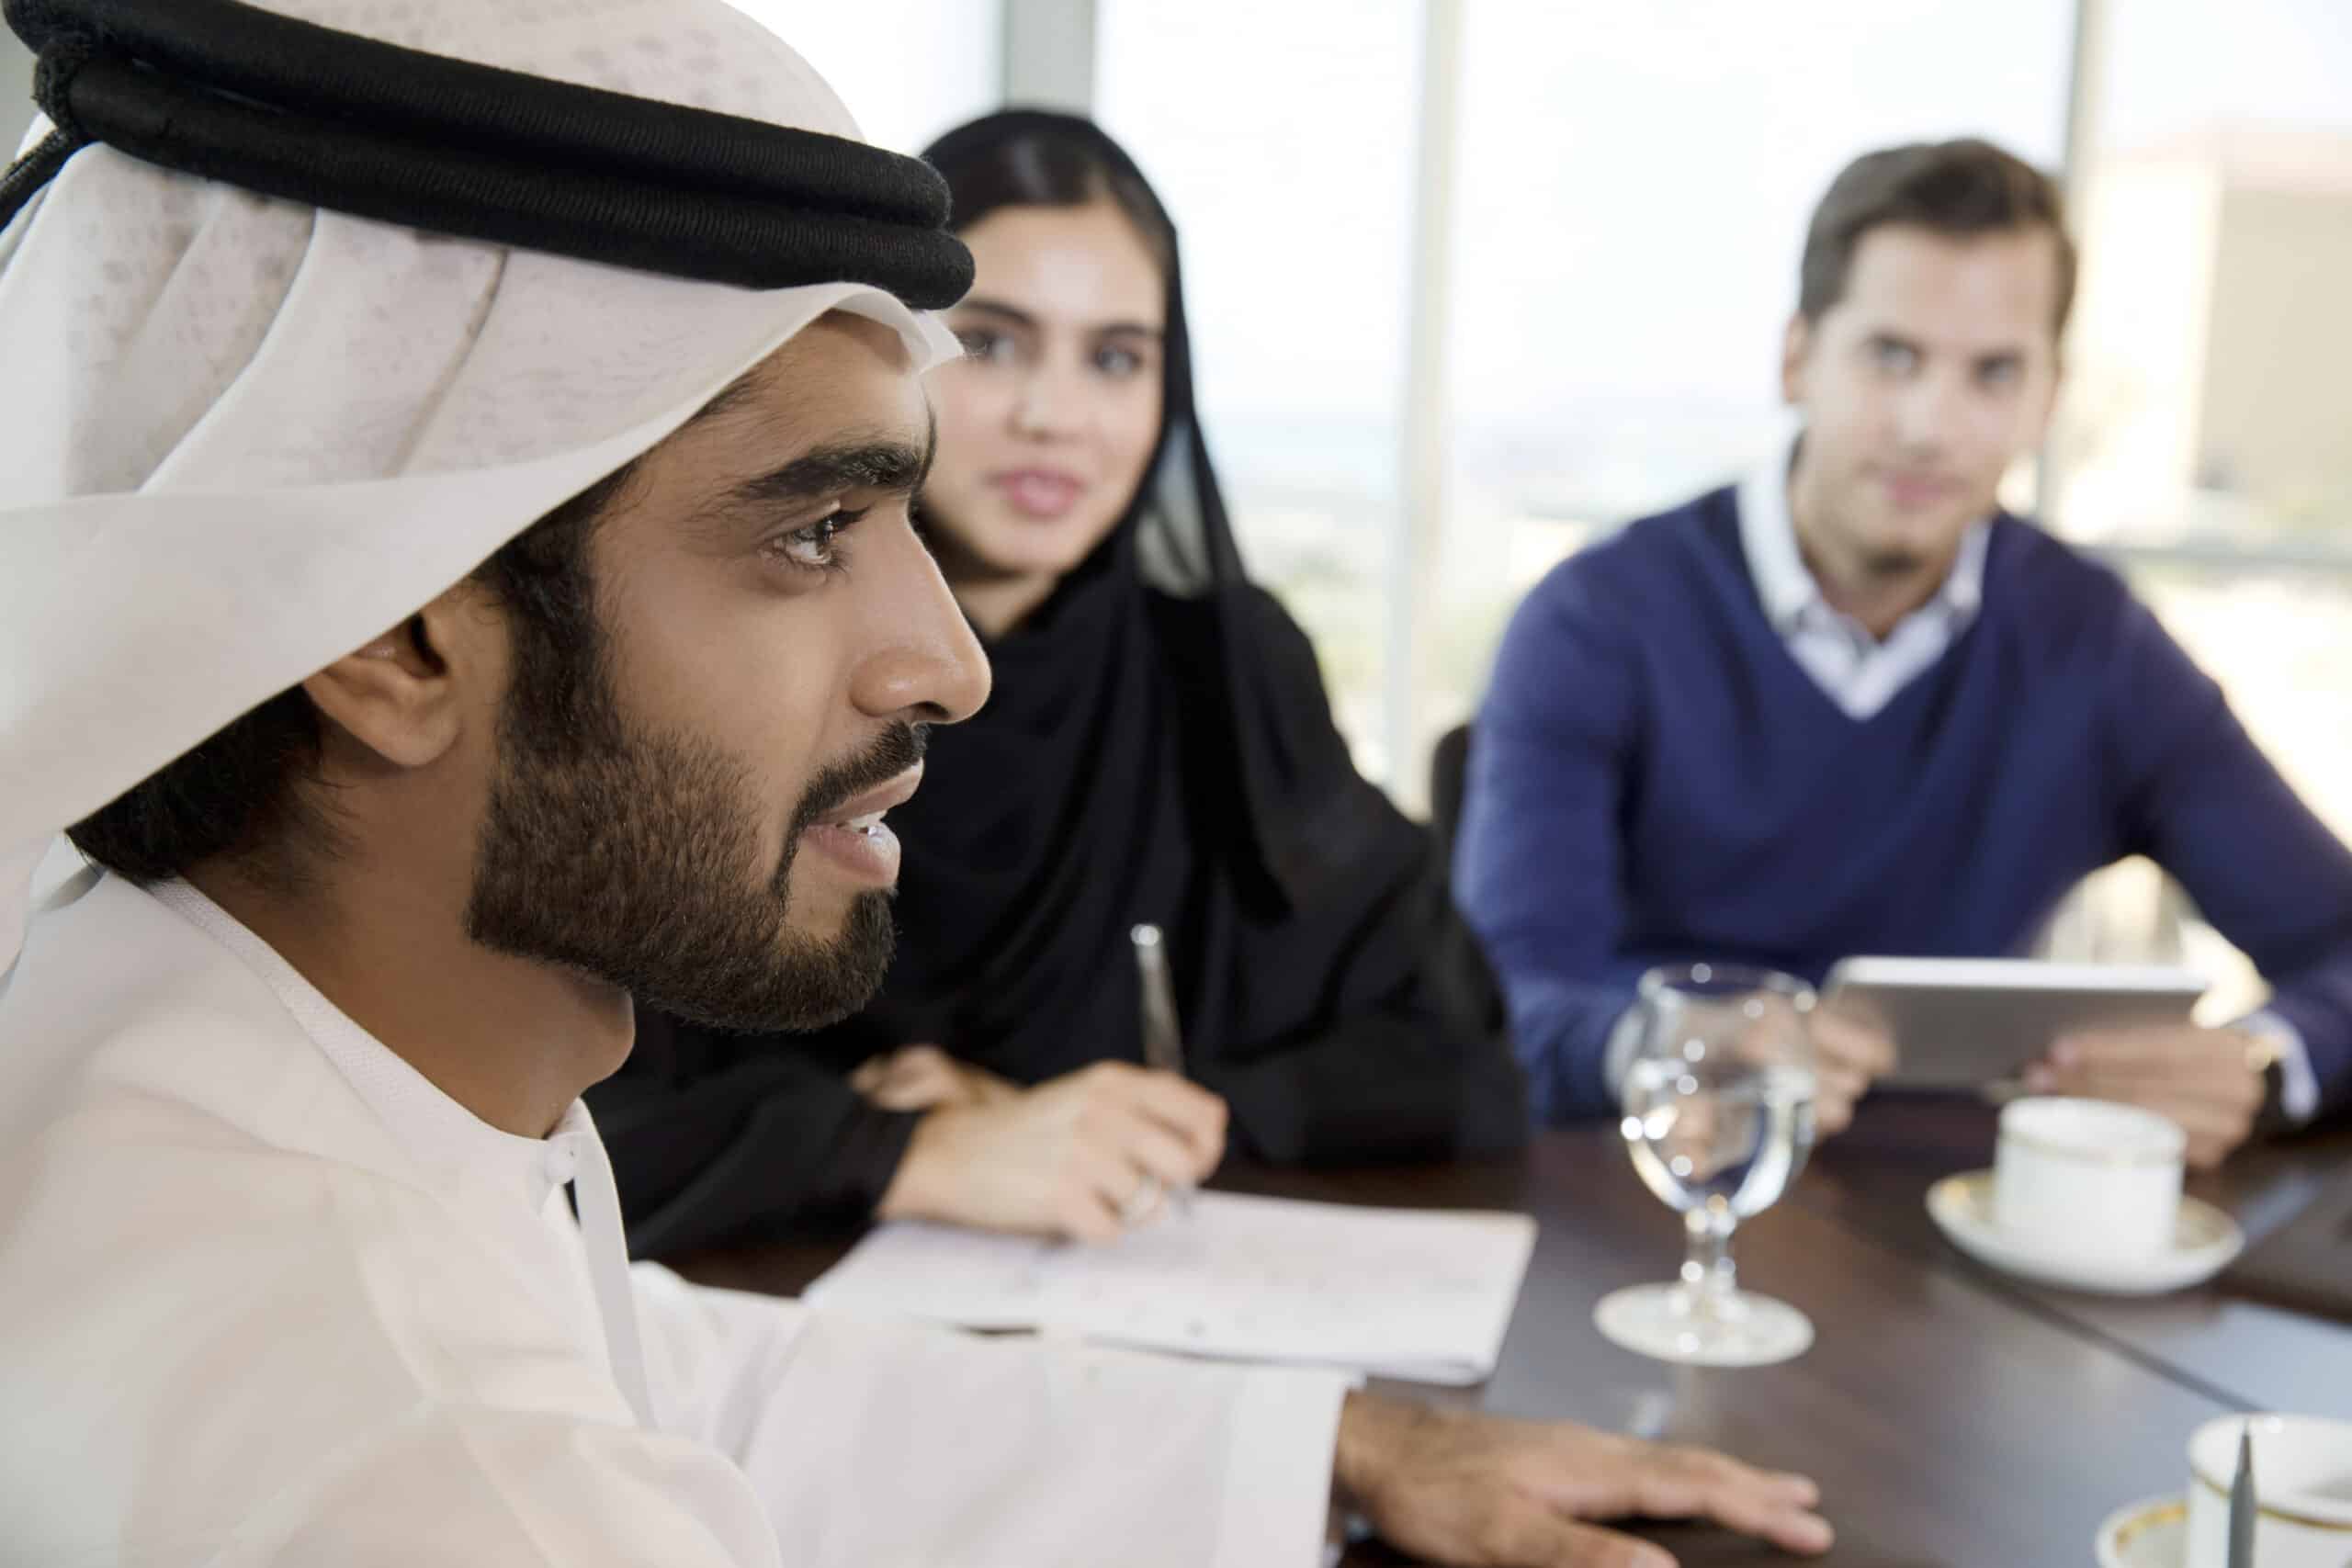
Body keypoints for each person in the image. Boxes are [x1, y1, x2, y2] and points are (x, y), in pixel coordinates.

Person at [0, 5, 1834, 1564]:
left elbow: (685, 1374)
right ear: (397, 636)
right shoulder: (418, 1459)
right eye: (811, 531)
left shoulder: (243, 1063)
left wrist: (1337, 1442)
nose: (947, 661)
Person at [593, 110, 1526, 1257]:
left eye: (1117, 358)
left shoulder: (1226, 668)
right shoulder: (736, 658)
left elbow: (1461, 1062)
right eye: (990, 343)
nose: (1058, 417)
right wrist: (896, 1146)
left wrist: (1121, 1122)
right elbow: (568, 1120)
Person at [1455, 137, 2352, 1165]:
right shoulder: (1596, 621)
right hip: (1641, 1200)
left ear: (2045, 400)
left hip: (1954, 1227)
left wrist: (2261, 1065)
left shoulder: (2094, 645)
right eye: (1891, 358)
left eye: (1992, 374)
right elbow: (1498, 1004)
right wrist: (1659, 1045)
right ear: (1797, 359)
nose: (1931, 426)